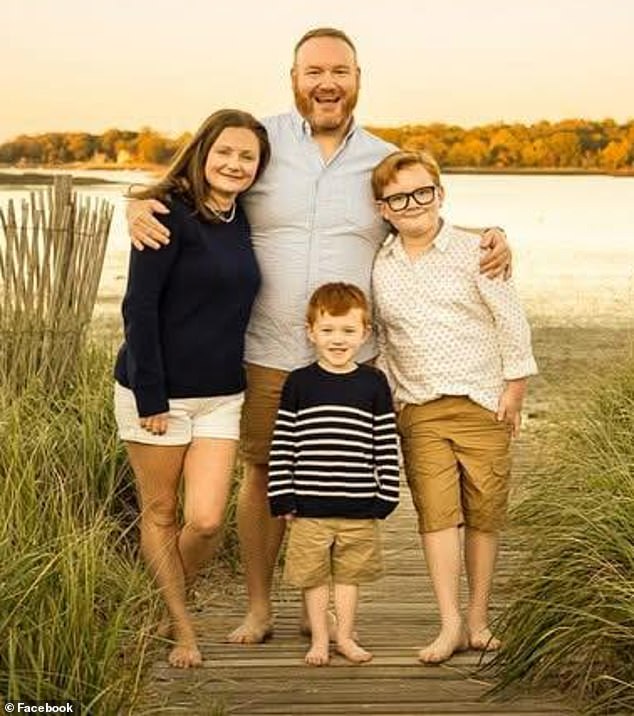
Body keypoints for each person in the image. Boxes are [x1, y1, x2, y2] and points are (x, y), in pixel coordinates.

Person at [125, 27, 512, 645]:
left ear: (358, 78)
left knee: (341, 477)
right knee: (261, 474)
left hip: (349, 357)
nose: (326, 83)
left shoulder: (379, 157)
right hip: (264, 350)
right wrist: (136, 203)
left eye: (340, 72)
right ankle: (258, 607)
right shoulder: (262, 143)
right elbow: (197, 184)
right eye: (313, 72)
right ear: (294, 78)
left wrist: (486, 234)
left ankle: (329, 613)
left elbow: (416, 213)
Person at [113, 109, 270, 668]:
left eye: (247, 156)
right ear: (202, 152)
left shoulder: (242, 218)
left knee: (205, 521)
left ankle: (159, 601)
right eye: (224, 152)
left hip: (222, 395)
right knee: (160, 514)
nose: (234, 164)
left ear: (258, 167)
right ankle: (181, 628)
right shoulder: (166, 215)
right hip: (156, 396)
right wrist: (151, 397)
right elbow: (139, 309)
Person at [371, 149, 538, 664]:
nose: (413, 203)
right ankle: (448, 625)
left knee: (484, 513)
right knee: (436, 515)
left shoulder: (477, 251)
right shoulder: (382, 264)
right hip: (418, 407)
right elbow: (382, 336)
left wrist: (514, 390)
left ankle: (478, 619)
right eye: (399, 198)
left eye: (423, 192)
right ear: (383, 210)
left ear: (440, 195)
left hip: (483, 403)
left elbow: (511, 321)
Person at [267, 283, 399, 665]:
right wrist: (283, 496)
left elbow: (384, 444)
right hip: (310, 508)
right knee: (313, 577)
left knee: (348, 578)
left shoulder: (373, 383)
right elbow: (284, 443)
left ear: (364, 333)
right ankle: (320, 639)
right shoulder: (300, 383)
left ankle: (344, 635)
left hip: (358, 506)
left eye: (347, 331)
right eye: (327, 331)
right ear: (311, 332)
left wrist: (386, 494)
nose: (337, 340)